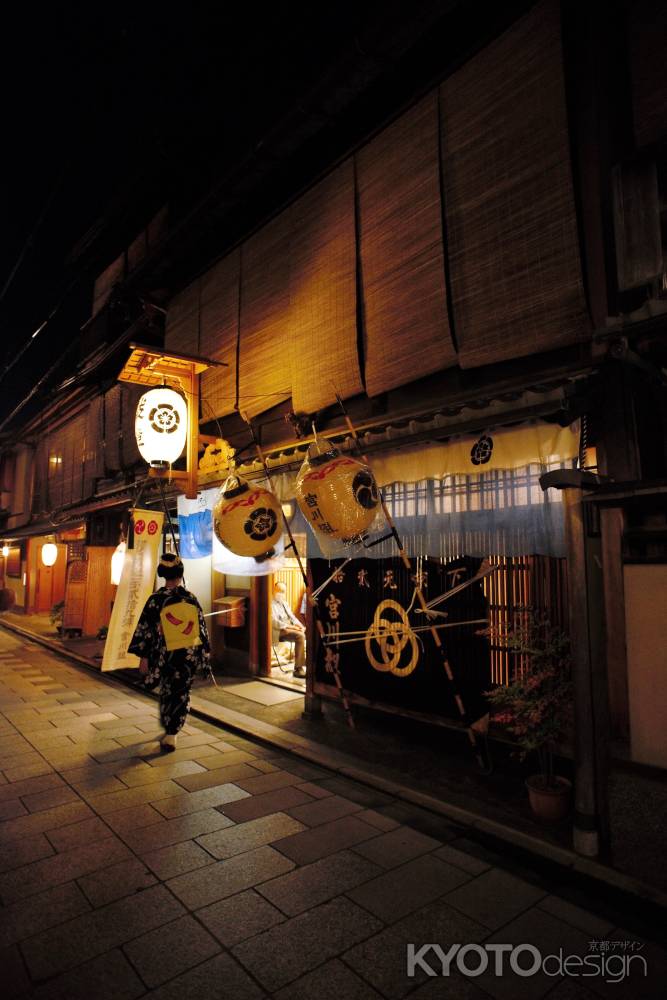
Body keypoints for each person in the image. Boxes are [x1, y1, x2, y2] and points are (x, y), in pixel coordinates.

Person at [128, 553, 211, 752]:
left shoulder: (156, 599)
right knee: (181, 692)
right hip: (186, 655)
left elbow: (145, 630)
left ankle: (170, 729)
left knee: (167, 691)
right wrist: (204, 657)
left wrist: (144, 657)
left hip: (164, 654)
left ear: (163, 575)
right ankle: (172, 732)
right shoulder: (191, 599)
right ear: (181, 574)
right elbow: (201, 630)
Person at [271, 581, 306, 678]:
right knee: (300, 635)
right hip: (277, 631)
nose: (280, 593)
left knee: (305, 632)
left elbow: (292, 617)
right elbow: (274, 622)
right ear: (273, 590)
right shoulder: (270, 603)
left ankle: (307, 663)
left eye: (283, 591)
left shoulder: (284, 603)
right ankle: (298, 668)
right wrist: (292, 627)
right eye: (278, 590)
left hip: (288, 629)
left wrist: (301, 626)